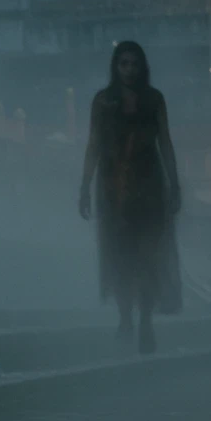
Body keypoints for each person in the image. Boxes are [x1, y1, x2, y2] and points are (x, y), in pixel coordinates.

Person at [78, 41, 183, 354]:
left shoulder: (153, 100)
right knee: (119, 256)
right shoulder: (103, 101)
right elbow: (94, 144)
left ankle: (146, 321)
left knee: (149, 257)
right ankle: (125, 317)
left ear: (142, 67)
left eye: (134, 64)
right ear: (116, 66)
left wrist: (175, 184)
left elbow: (165, 142)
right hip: (112, 189)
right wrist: (84, 186)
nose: (129, 69)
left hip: (149, 185)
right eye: (123, 63)